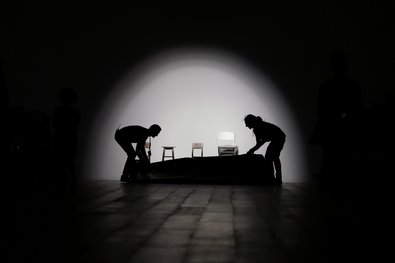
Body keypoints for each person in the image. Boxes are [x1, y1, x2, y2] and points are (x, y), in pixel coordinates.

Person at [244, 114, 286, 185]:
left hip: (279, 137)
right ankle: (275, 178)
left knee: (272, 157)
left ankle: (274, 179)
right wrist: (252, 150)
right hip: (277, 137)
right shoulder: (257, 128)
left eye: (246, 123)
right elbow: (259, 143)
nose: (246, 126)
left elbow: (260, 143)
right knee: (273, 157)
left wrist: (252, 150)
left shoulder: (259, 127)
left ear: (251, 122)